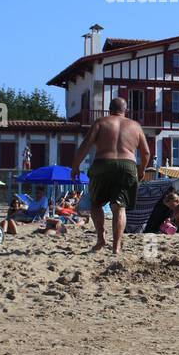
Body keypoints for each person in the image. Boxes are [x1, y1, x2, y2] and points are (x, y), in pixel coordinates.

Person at [70, 96, 150, 254]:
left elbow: (85, 146)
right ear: (125, 110)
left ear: (109, 109)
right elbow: (146, 153)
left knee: (96, 204)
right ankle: (117, 247)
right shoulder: (135, 126)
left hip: (102, 164)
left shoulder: (101, 122)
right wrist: (141, 170)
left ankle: (101, 238)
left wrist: (75, 167)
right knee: (119, 207)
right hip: (127, 166)